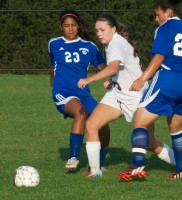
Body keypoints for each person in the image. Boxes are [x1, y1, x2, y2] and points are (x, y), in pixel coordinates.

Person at [77, 13, 175, 177]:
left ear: (113, 29)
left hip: (137, 96)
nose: (99, 33)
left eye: (103, 30)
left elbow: (114, 67)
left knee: (151, 143)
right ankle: (95, 172)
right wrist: (113, 80)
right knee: (92, 124)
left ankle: (179, 164)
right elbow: (120, 70)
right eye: (97, 31)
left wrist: (90, 79)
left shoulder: (116, 43)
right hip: (118, 94)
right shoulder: (113, 43)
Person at [117, 0, 182, 181]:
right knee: (176, 127)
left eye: (158, 14)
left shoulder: (164, 28)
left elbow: (160, 56)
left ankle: (137, 166)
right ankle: (181, 169)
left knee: (139, 120)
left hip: (168, 79)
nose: (156, 19)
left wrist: (142, 78)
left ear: (168, 12)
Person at [48, 10, 110, 171]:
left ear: (78, 26)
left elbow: (103, 67)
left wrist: (111, 79)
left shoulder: (89, 46)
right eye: (66, 26)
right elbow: (53, 64)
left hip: (83, 94)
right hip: (63, 92)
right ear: (61, 27)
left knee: (103, 124)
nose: (70, 29)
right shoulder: (54, 43)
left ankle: (98, 164)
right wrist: (53, 82)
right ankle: (73, 157)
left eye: (73, 25)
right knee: (81, 113)